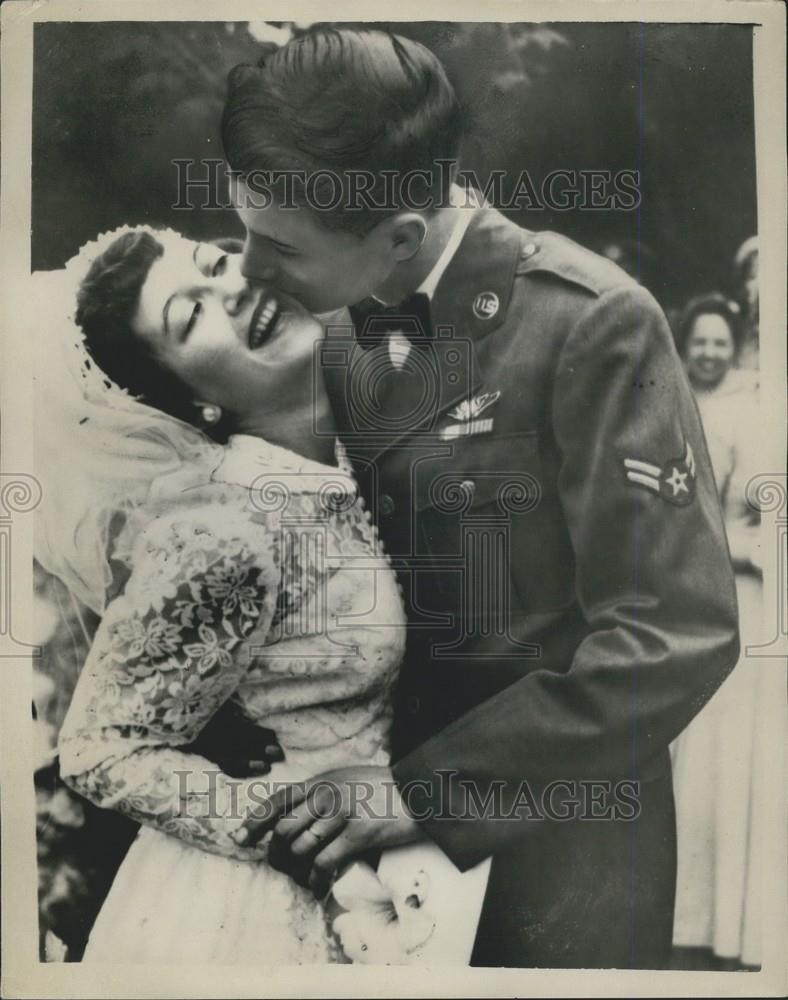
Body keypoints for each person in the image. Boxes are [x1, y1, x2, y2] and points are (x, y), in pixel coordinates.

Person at [220, 27, 740, 968]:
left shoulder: (590, 322)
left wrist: (421, 792)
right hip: (342, 857)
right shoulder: (319, 325)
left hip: (554, 857)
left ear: (402, 237)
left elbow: (672, 635)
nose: (249, 270)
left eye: (279, 249)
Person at [39, 226, 455, 963]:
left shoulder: (351, 448)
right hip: (256, 906)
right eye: (190, 315)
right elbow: (97, 748)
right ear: (191, 400)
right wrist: (286, 823)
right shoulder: (223, 529)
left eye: (214, 263)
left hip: (399, 867)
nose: (231, 289)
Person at [670, 293, 765, 968]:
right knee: (706, 757)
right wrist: (751, 549)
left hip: (765, 606)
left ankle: (750, 924)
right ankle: (694, 922)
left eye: (719, 343)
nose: (709, 353)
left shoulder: (758, 402)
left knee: (754, 762)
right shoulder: (677, 403)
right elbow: (685, 519)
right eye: (698, 342)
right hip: (716, 590)